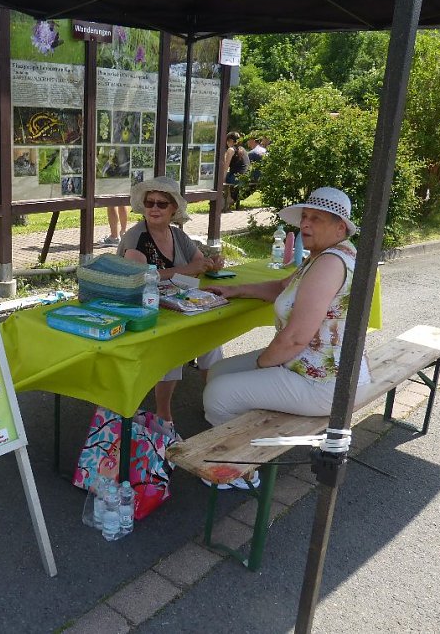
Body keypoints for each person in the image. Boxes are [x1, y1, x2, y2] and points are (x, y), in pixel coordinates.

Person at [201, 187, 368, 489]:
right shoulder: (328, 255)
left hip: (325, 383)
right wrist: (235, 291)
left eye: (316, 219)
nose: (305, 225)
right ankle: (240, 433)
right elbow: (282, 287)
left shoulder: (329, 263)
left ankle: (241, 467)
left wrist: (263, 365)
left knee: (218, 394)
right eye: (304, 217)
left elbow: (294, 339)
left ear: (340, 226)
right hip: (319, 368)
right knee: (217, 370)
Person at [117, 175, 225, 423]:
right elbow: (139, 277)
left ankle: (216, 400)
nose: (154, 208)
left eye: (161, 204)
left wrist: (211, 264)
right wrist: (185, 270)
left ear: (174, 208)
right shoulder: (136, 238)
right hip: (143, 311)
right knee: (172, 346)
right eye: (149, 203)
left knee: (212, 339)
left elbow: (198, 262)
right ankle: (163, 413)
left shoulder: (177, 235)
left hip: (179, 307)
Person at [222, 131, 249, 212]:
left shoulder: (231, 150)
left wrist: (222, 179)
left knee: (219, 180)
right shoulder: (242, 149)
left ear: (230, 140)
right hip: (245, 176)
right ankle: (230, 199)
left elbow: (225, 167)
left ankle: (228, 200)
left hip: (237, 177)